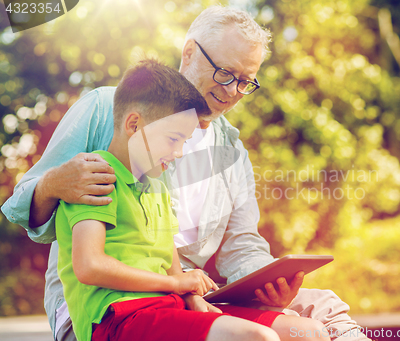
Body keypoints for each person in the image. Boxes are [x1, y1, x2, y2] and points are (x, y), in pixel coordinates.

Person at [1, 6, 370, 341]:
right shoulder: (109, 107)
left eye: (246, 81)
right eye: (225, 73)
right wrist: (53, 185)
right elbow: (25, 208)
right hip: (113, 306)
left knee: (322, 311)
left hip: (192, 297)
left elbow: (241, 247)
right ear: (189, 52)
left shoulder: (232, 153)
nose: (233, 91)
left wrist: (269, 285)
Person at [56, 58, 329, 341]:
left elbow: (172, 263)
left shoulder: (158, 186)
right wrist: (174, 283)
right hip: (118, 318)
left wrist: (193, 299)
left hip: (168, 306)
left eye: (184, 142)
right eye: (173, 139)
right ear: (134, 125)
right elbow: (89, 266)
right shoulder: (94, 175)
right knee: (259, 338)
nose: (179, 153)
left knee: (309, 332)